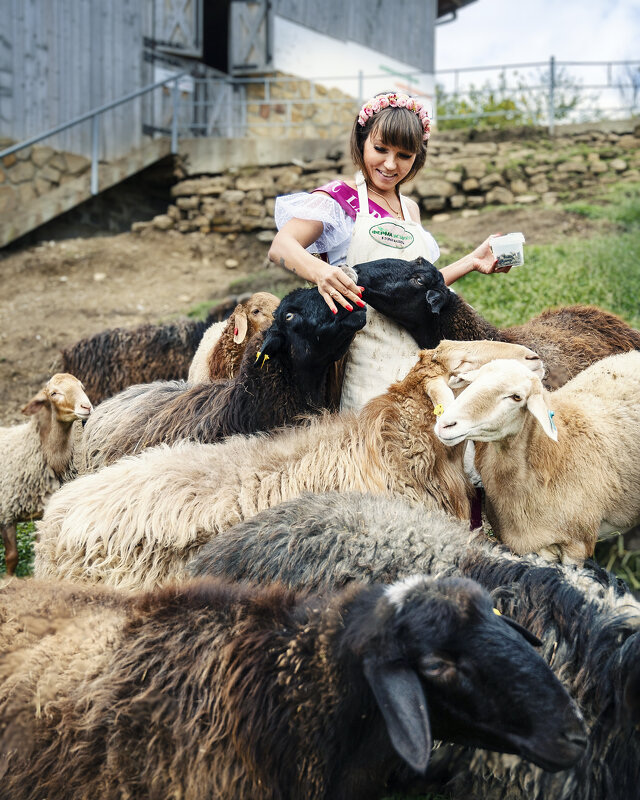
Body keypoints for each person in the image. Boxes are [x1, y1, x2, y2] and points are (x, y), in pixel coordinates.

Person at [268, 90, 509, 411]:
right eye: (380, 149)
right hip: (360, 354)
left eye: (404, 155)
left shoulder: (410, 210)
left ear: (417, 157)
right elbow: (281, 245)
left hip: (419, 354)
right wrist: (322, 273)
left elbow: (415, 287)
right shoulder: (338, 199)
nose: (390, 164)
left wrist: (472, 261)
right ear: (362, 141)